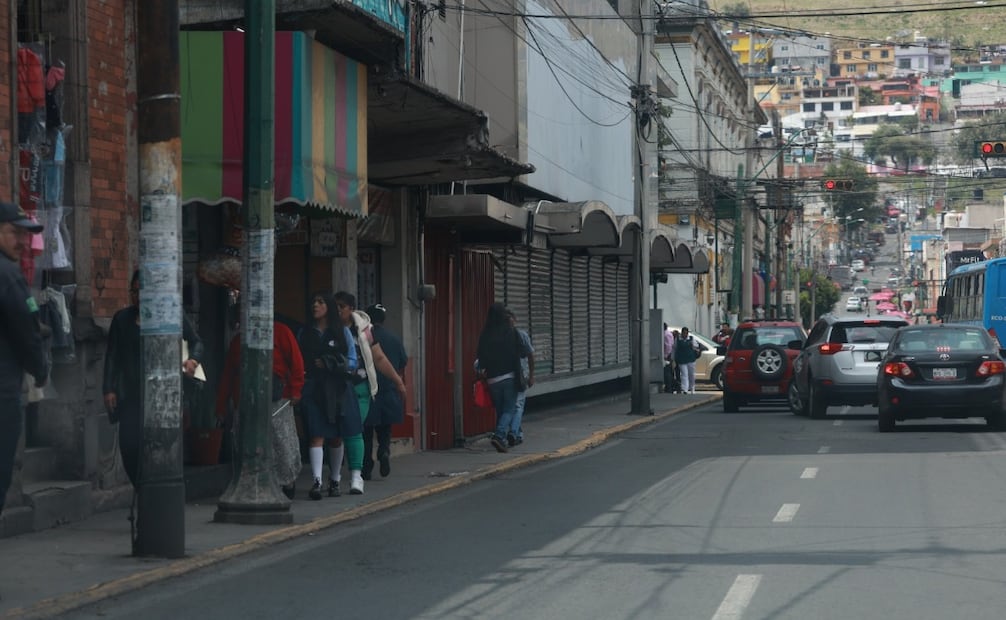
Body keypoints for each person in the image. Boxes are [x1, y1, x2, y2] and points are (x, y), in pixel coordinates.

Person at [105, 269, 202, 488]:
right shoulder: (122, 319)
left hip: (162, 396)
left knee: (160, 447)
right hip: (131, 394)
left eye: (143, 291)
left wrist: (192, 360)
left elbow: (196, 341)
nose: (138, 296)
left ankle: (155, 495)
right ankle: (141, 490)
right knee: (129, 446)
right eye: (135, 291)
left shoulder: (172, 315)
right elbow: (112, 356)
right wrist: (108, 388)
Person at [215, 310, 305, 498]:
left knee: (281, 441)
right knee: (245, 440)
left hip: (278, 398)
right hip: (245, 400)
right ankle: (251, 481)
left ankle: (287, 481)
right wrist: (221, 406)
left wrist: (295, 390)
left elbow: (297, 363)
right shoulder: (238, 342)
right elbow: (228, 375)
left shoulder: (281, 332)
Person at [333, 291, 407, 495]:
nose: (338, 310)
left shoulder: (364, 330)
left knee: (355, 429)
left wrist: (397, 380)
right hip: (333, 387)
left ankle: (356, 475)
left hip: (361, 387)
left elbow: (379, 358)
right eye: (335, 306)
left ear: (351, 308)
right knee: (336, 434)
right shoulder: (328, 329)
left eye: (342, 306)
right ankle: (334, 477)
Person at [0, 201, 47, 511]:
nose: (22, 242)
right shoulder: (9, 275)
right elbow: (27, 331)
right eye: (14, 232)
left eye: (25, 235)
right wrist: (40, 368)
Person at [361, 303, 408, 479]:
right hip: (388, 389)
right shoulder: (394, 338)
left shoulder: (364, 337)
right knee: (385, 427)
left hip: (367, 388)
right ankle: (384, 450)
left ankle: (366, 465)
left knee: (365, 430)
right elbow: (403, 362)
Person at [475, 302, 526, 453]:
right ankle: (499, 435)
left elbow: (480, 358)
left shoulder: (485, 334)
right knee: (510, 409)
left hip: (492, 379)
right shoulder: (511, 332)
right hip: (510, 376)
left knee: (500, 410)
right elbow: (522, 351)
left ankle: (502, 440)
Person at [506, 310, 534, 447]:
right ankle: (513, 432)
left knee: (512, 406)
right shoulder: (520, 335)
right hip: (516, 376)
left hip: (512, 376)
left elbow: (530, 355)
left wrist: (532, 376)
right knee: (517, 407)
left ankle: (517, 434)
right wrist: (531, 376)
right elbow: (530, 355)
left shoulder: (519, 336)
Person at [674, 327, 700, 395]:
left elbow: (696, 347)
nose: (685, 335)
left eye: (686, 333)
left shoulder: (691, 339)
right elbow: (674, 348)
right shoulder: (678, 339)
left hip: (691, 359)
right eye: (684, 333)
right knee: (684, 374)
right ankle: (685, 389)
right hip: (681, 359)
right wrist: (673, 358)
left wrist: (695, 348)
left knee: (691, 374)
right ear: (682, 333)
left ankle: (692, 387)